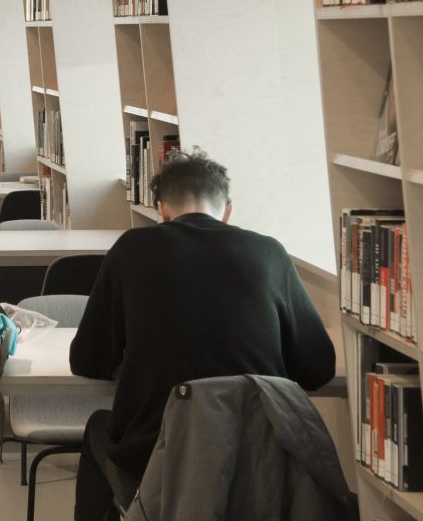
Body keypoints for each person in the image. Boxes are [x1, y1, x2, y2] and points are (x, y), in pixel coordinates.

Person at [69, 148, 337, 520]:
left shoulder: (131, 249)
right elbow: (318, 368)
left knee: (98, 428)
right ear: (228, 211)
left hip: (158, 465)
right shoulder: (270, 253)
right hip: (260, 466)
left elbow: (88, 360)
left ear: (161, 209)